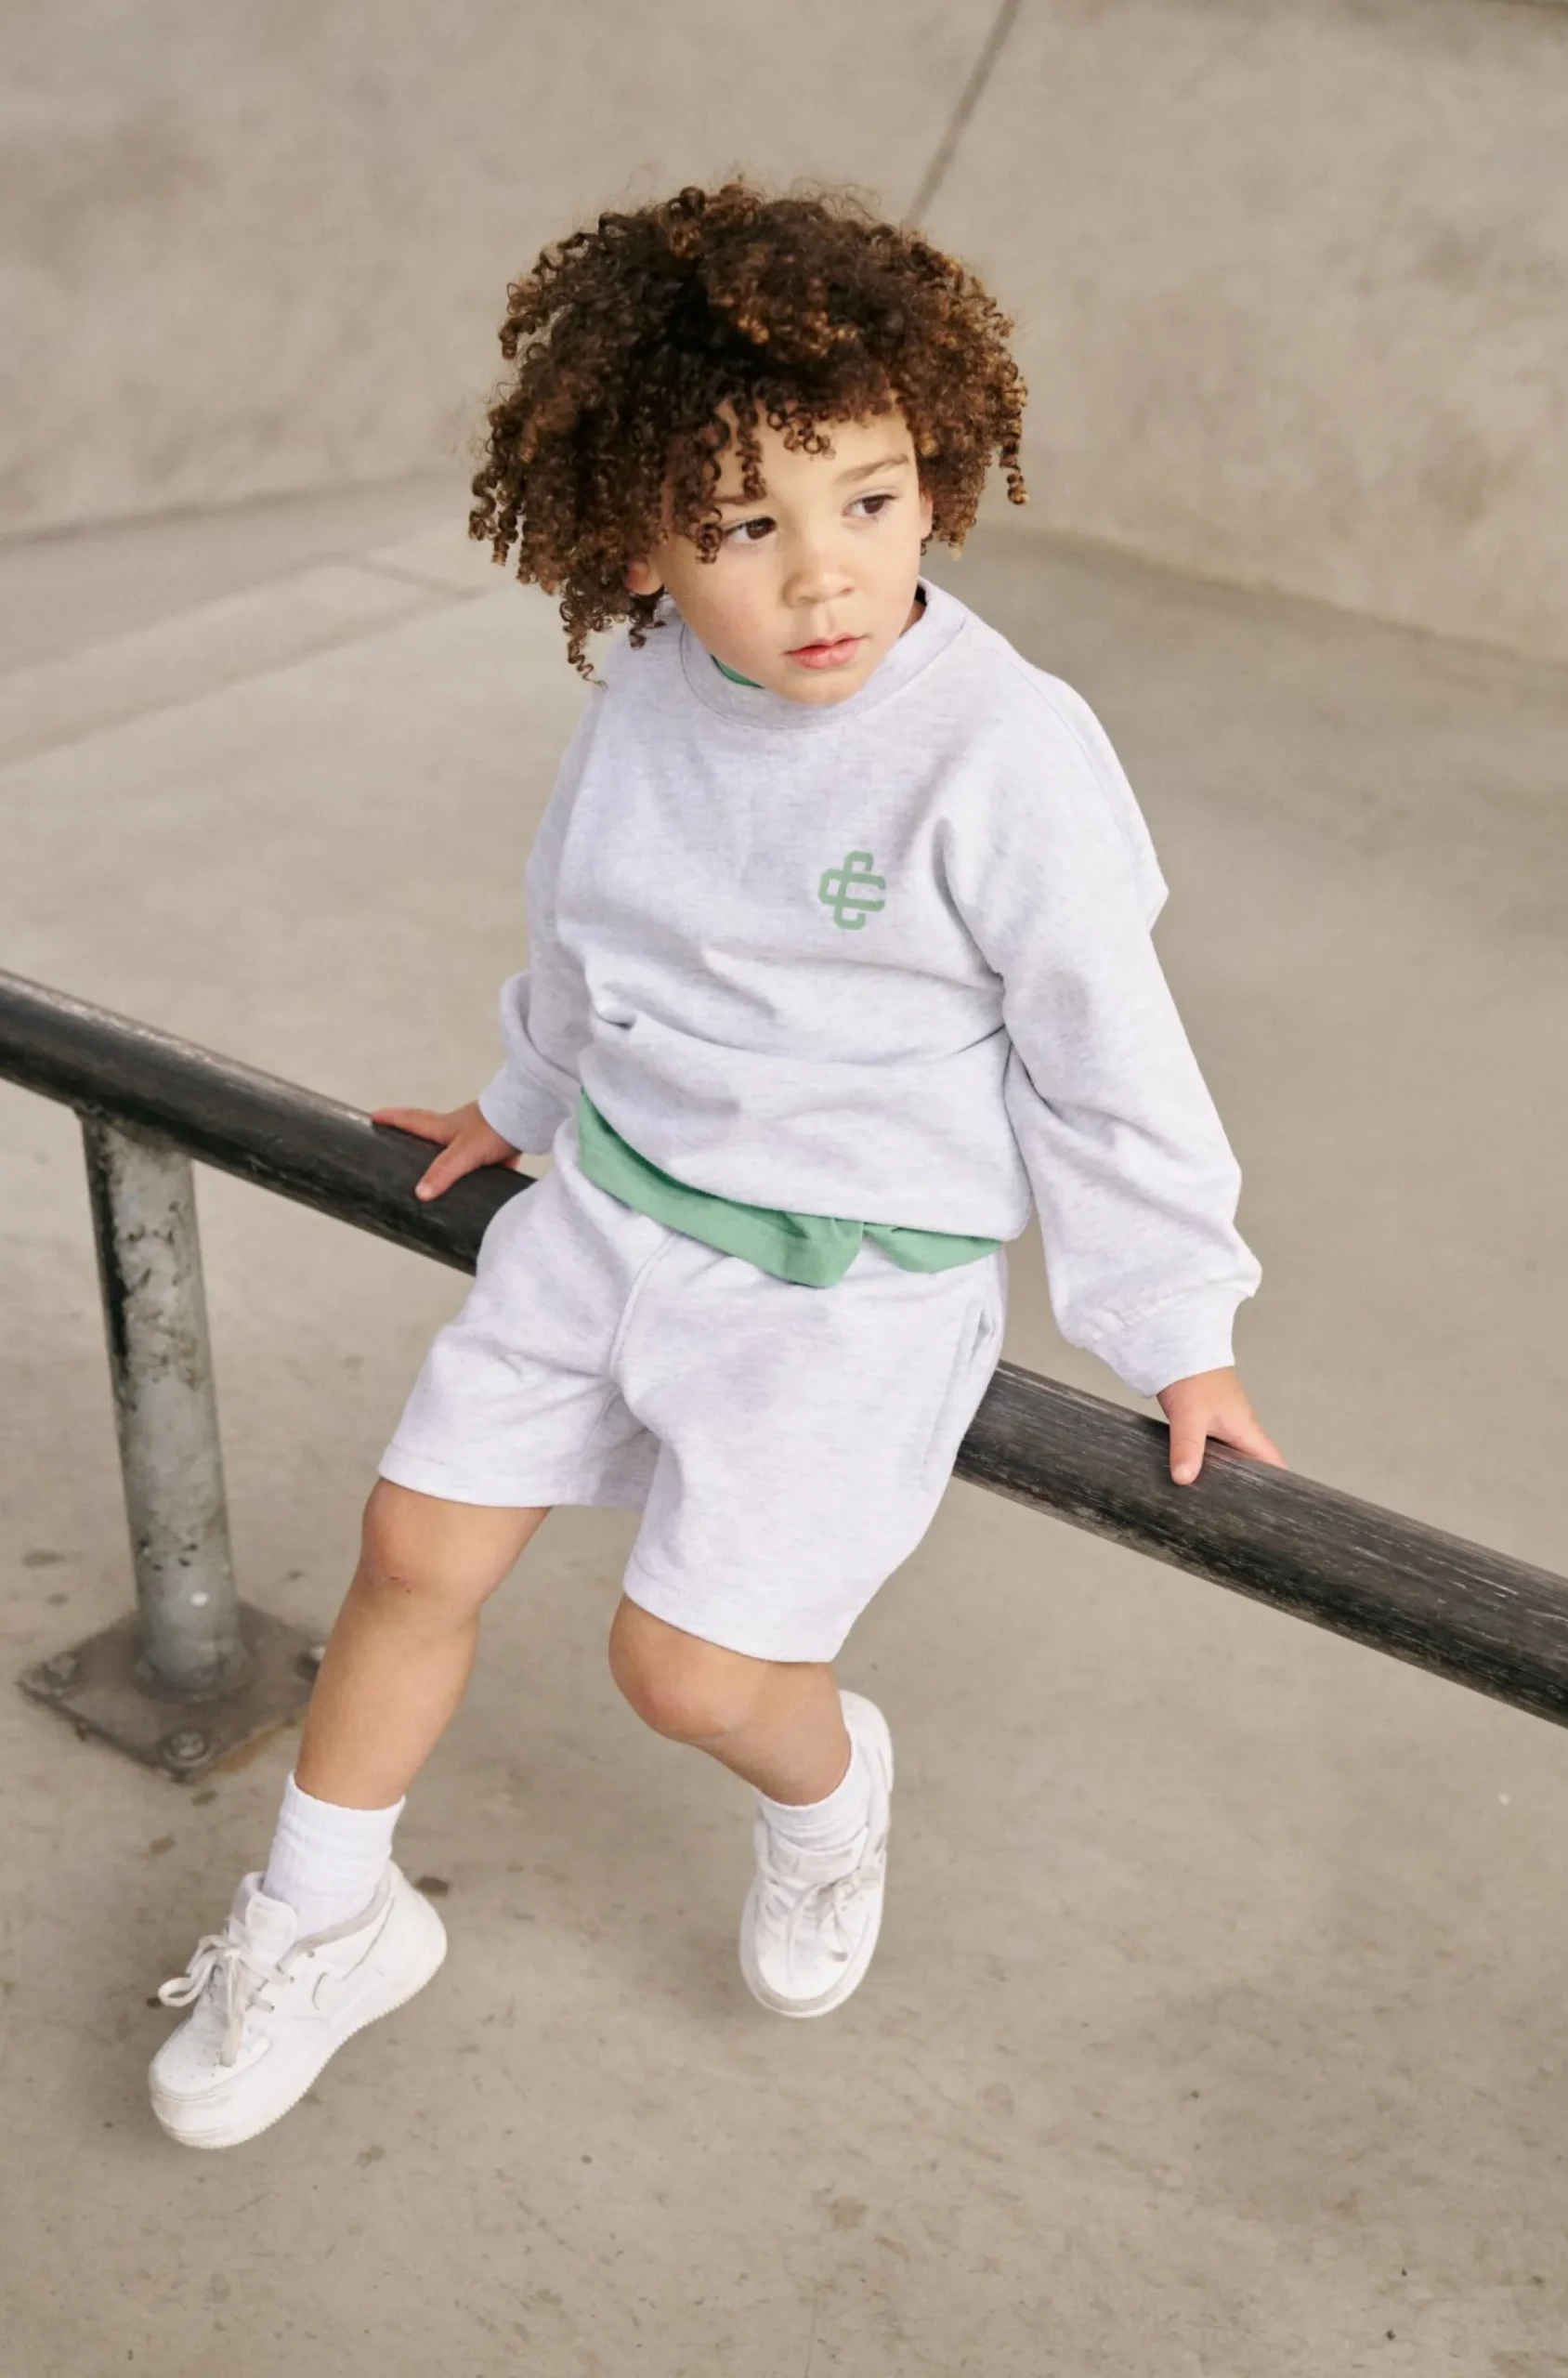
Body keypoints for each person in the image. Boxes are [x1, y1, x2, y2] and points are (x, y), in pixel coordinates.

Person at [149, 181, 1285, 2150]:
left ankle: (830, 1797)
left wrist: (1178, 1321)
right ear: (640, 550)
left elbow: (1106, 1058)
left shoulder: (1002, 751)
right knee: (412, 1547)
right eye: (745, 529)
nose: (825, 574)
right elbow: (593, 922)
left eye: (870, 497)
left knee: (683, 1671)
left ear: (935, 472)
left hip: (845, 1284)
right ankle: (326, 1918)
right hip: (614, 1209)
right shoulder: (652, 698)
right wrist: (523, 1094)